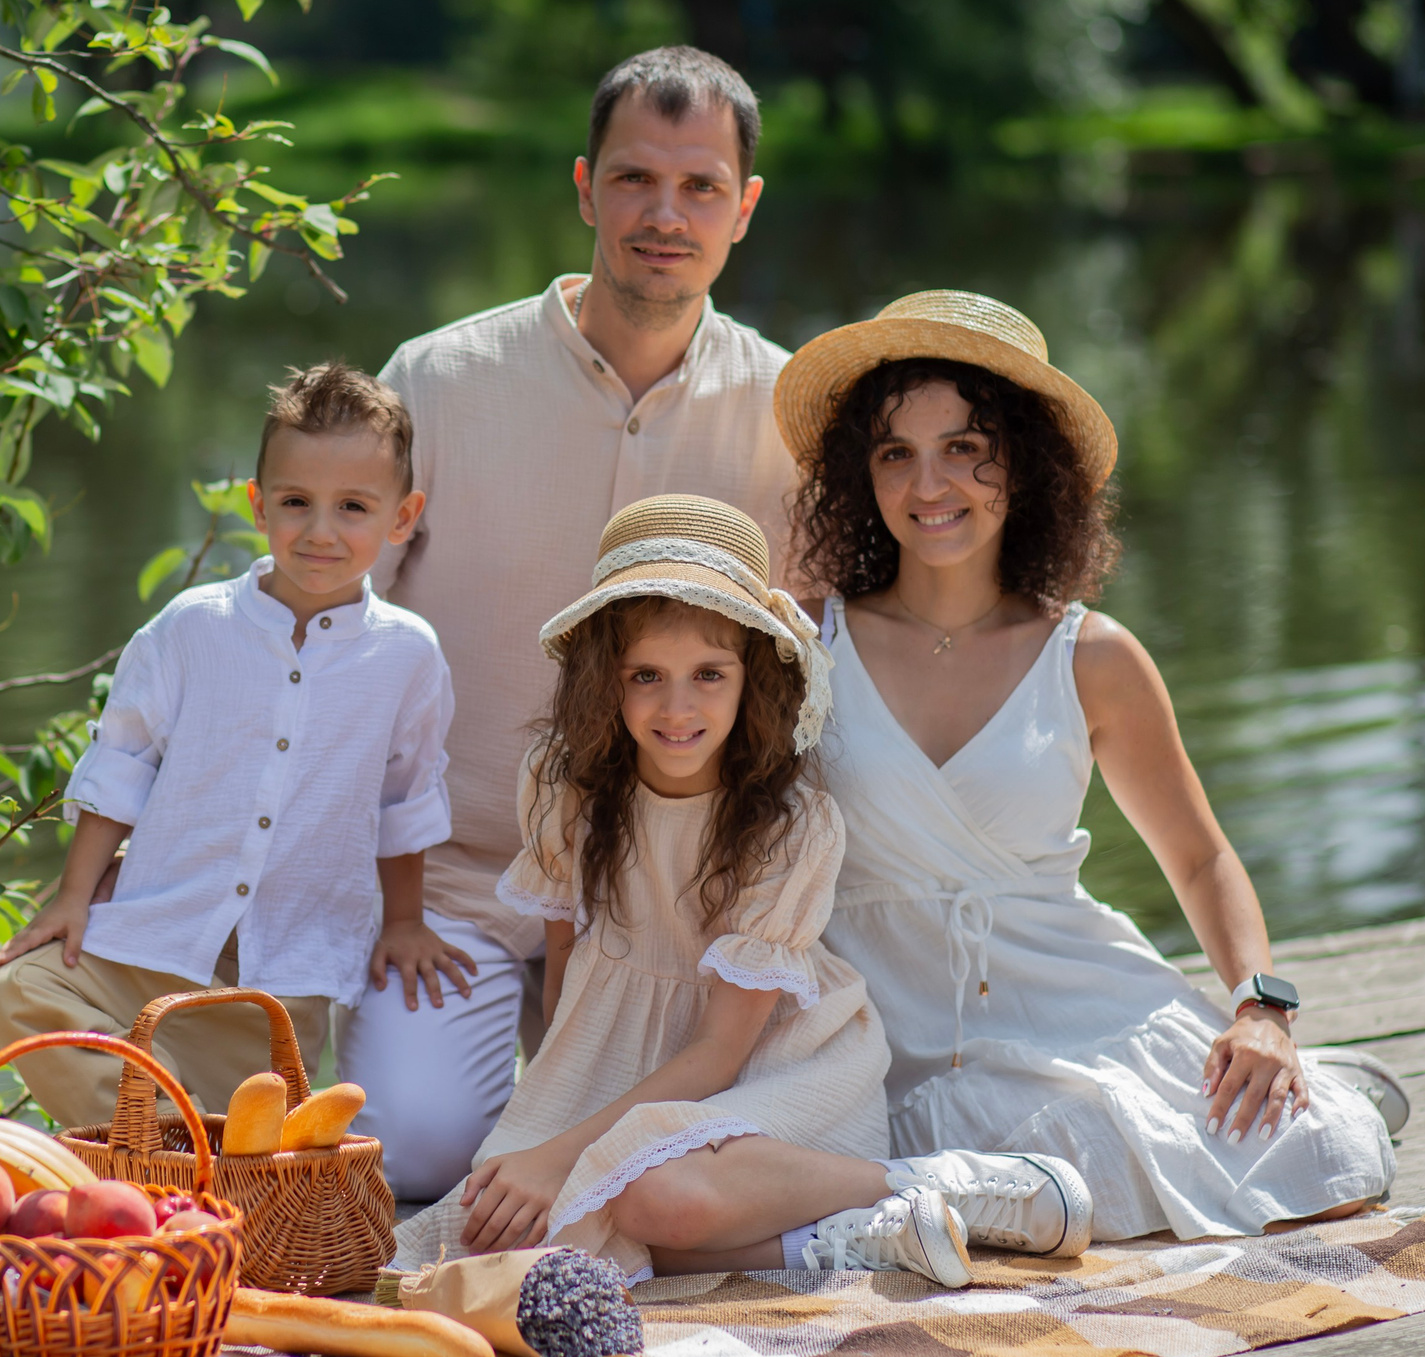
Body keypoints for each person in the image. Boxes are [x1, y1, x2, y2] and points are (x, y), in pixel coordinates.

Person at [778, 290, 1407, 1242]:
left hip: (1072, 999)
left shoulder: (1092, 655)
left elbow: (1201, 859)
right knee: (1032, 1178)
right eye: (895, 453)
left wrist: (1262, 1008)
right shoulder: (803, 646)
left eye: (964, 446)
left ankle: (1307, 1074)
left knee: (1328, 1155)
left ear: (1022, 465)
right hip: (883, 1032)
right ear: (861, 476)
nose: (929, 482)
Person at [393, 497, 1094, 1287]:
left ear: (752, 675)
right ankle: (857, 1236)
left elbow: (722, 1050)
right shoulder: (565, 787)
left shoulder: (787, 825)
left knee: (650, 1191)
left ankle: (928, 1183)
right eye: (645, 676)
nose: (677, 707)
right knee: (494, 1241)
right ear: (605, 679)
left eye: (709, 675)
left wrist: (567, 1153)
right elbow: (564, 971)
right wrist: (549, 1119)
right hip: (621, 1059)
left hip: (773, 1071)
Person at [355, 46, 804, 1200]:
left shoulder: (788, 412)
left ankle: (544, 1112)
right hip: (447, 882)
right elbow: (340, 633)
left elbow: (810, 676)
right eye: (634, 179)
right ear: (583, 187)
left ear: (744, 207)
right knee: (413, 1150)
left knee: (657, 1172)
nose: (666, 214)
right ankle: (470, 1091)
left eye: (701, 186)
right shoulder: (440, 379)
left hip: (657, 901)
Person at [0, 363, 471, 1127]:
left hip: (282, 978)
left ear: (402, 518)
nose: (320, 531)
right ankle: (167, 1123)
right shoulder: (190, 628)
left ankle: (171, 1121)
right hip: (154, 943)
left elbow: (405, 798)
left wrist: (404, 922)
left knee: (268, 1126)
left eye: (353, 507)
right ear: (257, 502)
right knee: (14, 992)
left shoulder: (408, 657)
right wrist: (74, 897)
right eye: (296, 503)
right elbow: (122, 764)